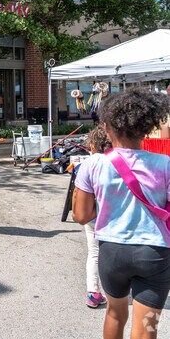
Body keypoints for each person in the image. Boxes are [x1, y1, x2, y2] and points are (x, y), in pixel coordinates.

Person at [73, 87, 170, 339]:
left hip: (112, 251)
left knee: (115, 314)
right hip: (155, 252)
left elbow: (81, 216)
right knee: (147, 323)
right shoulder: (165, 164)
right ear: (146, 129)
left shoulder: (92, 164)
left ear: (106, 127)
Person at [79, 126, 112, 309]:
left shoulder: (88, 163)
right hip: (113, 216)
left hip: (92, 216)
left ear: (92, 144)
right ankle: (115, 291)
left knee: (94, 253)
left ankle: (93, 292)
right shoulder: (117, 161)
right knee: (113, 252)